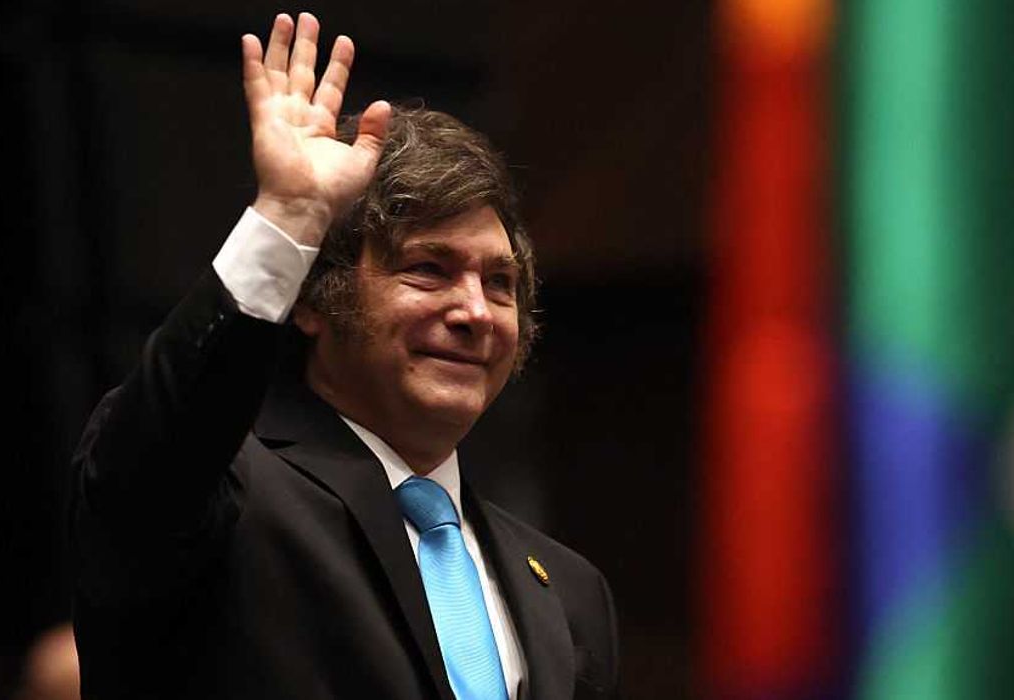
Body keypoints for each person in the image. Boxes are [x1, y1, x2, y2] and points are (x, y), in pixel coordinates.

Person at [71, 12, 618, 700]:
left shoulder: (569, 592)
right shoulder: (220, 496)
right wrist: (291, 215)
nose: (474, 312)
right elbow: (156, 447)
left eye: (499, 283)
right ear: (310, 300)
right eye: (427, 269)